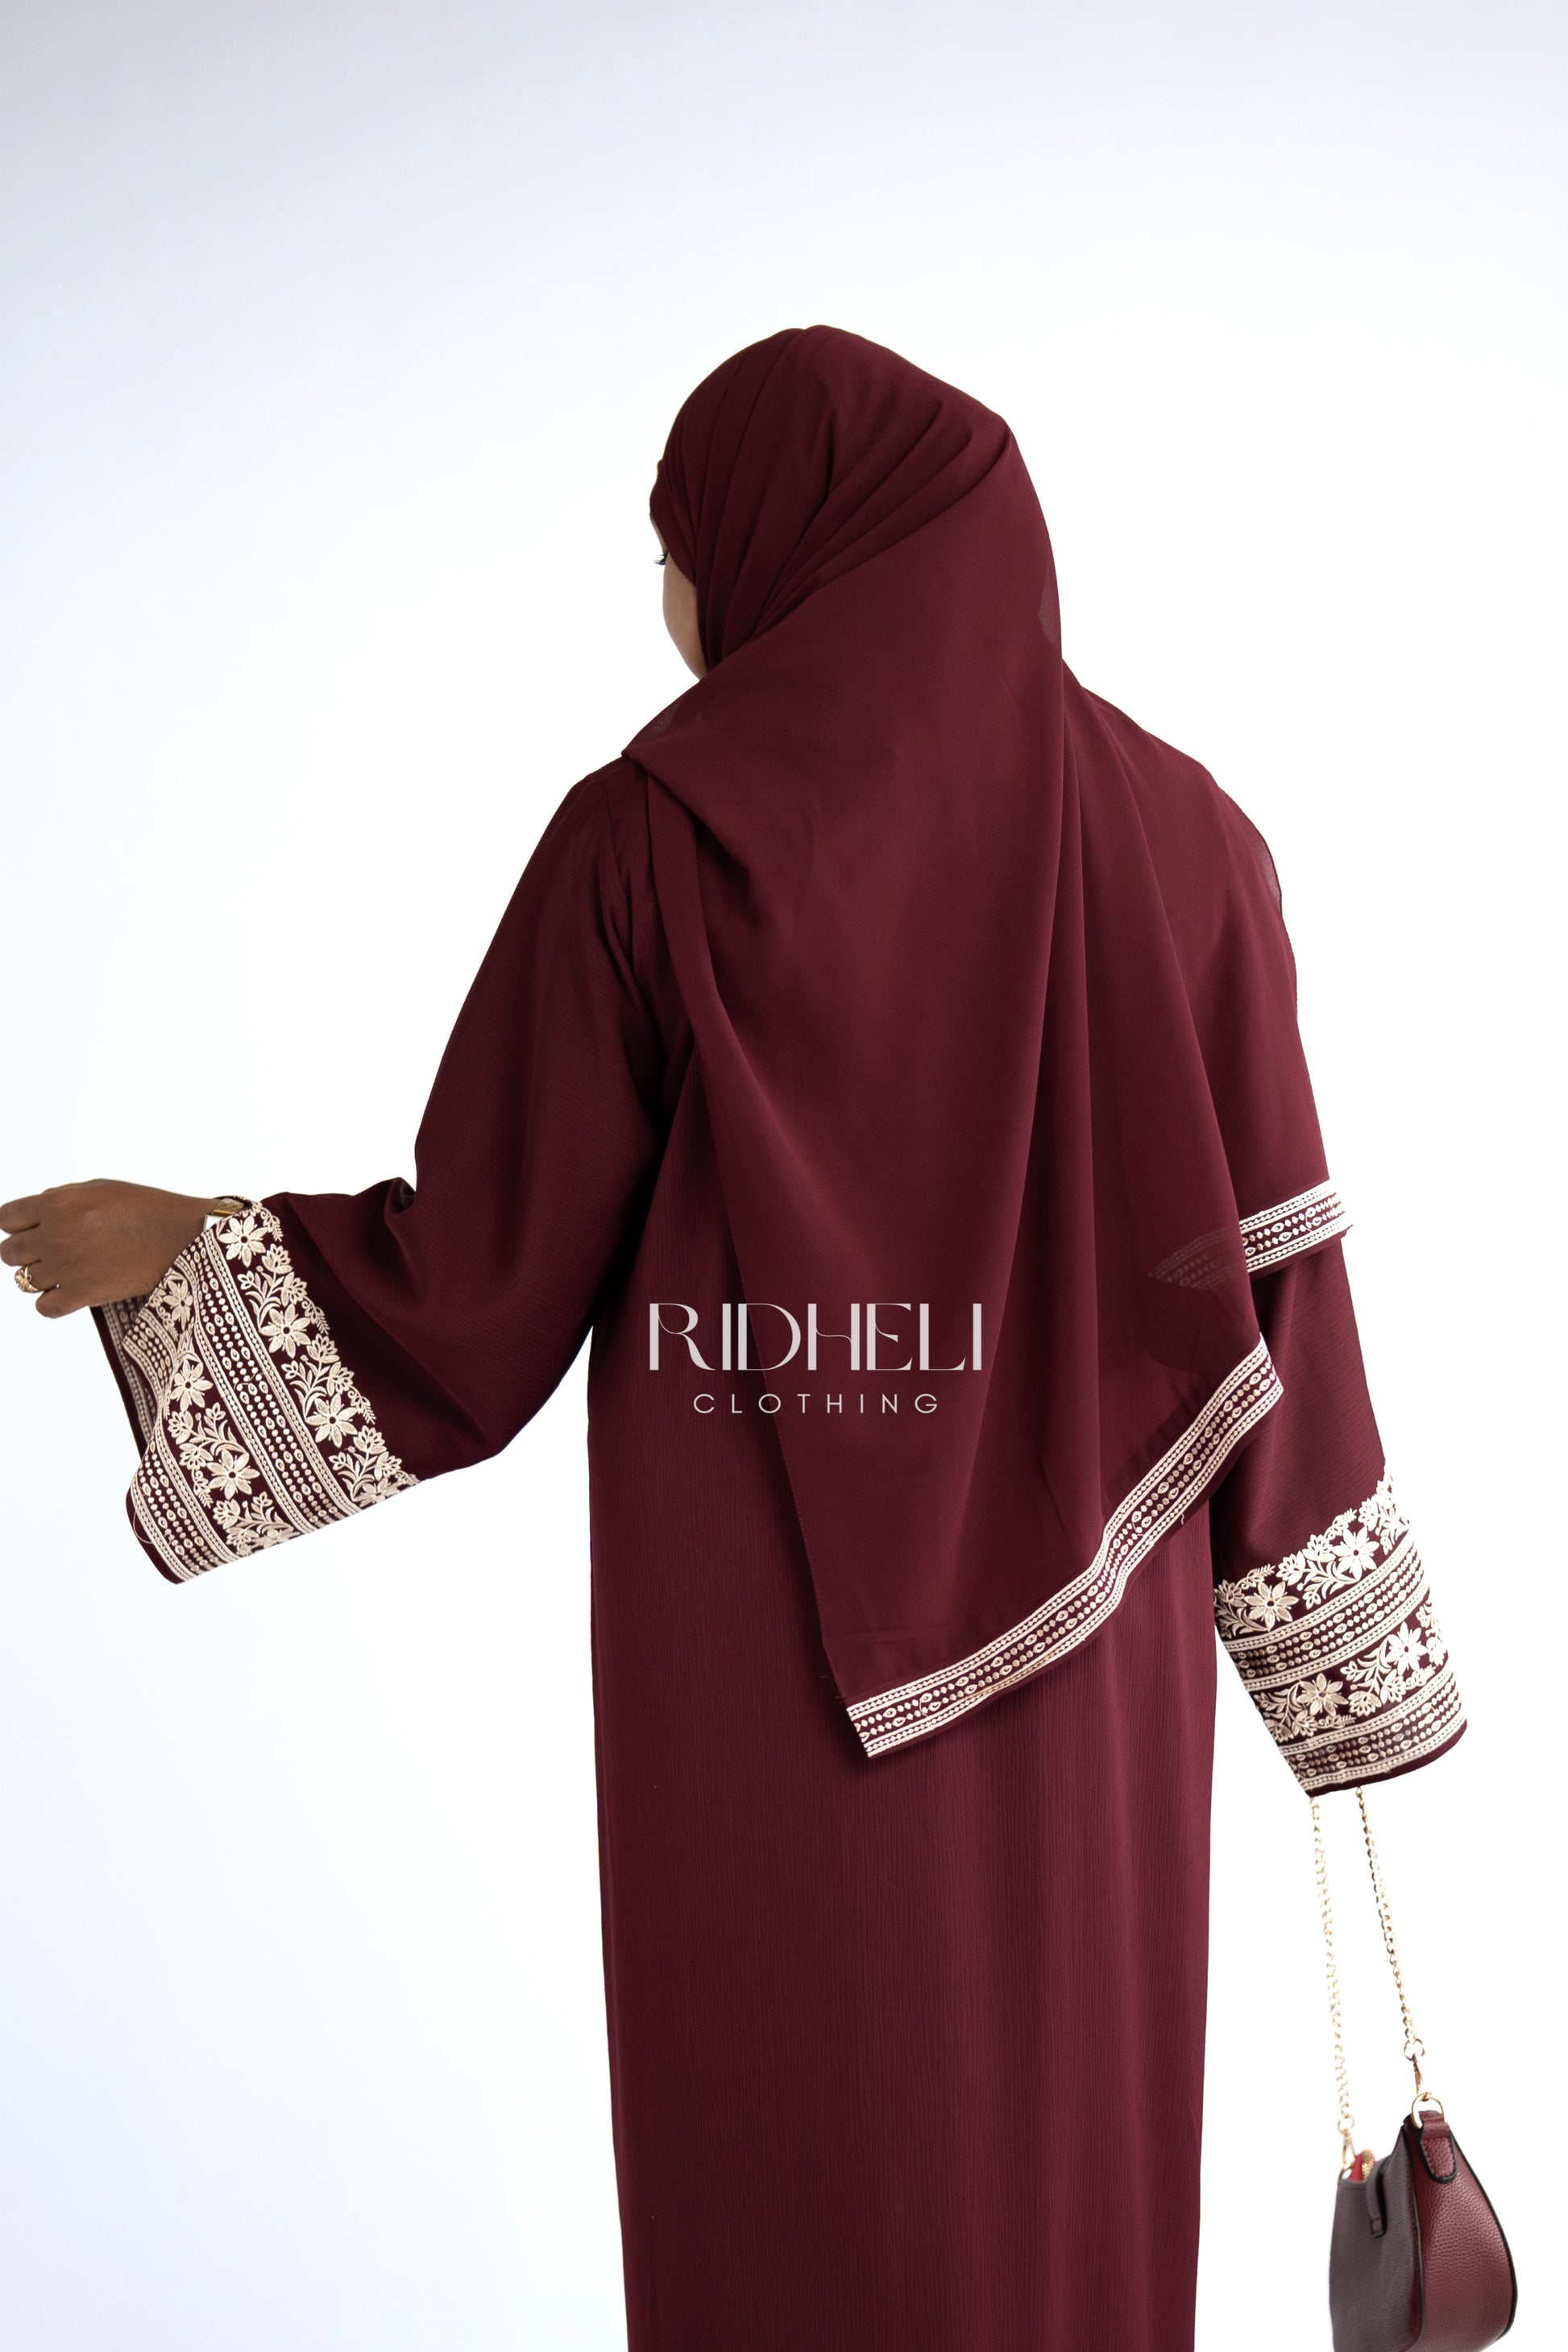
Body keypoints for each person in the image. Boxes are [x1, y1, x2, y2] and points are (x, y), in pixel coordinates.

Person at [1, 326, 1463, 2352]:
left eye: (682, 546)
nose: (670, 599)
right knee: (1050, 2173)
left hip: (757, 1678)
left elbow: (474, 1285)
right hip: (1095, 1666)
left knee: (787, 2171)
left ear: (794, 547)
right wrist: (1342, 1681)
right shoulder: (1187, 840)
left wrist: (186, 1247)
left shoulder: (649, 839)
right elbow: (1280, 1297)